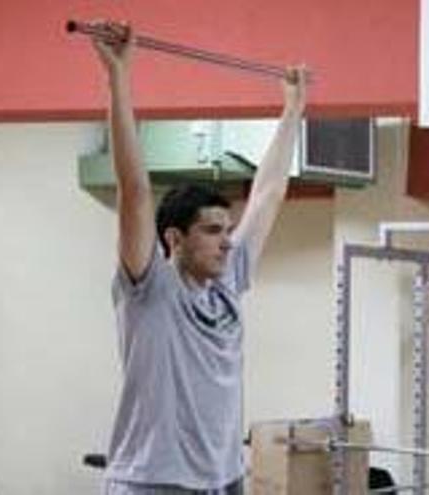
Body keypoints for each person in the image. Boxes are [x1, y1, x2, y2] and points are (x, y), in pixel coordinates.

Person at [90, 22, 306, 495]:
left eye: (227, 231)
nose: (227, 242)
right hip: (152, 482)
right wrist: (118, 77)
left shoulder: (227, 283)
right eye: (212, 231)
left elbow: (269, 193)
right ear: (174, 239)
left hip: (221, 479)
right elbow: (135, 191)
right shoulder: (150, 290)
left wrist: (293, 109)